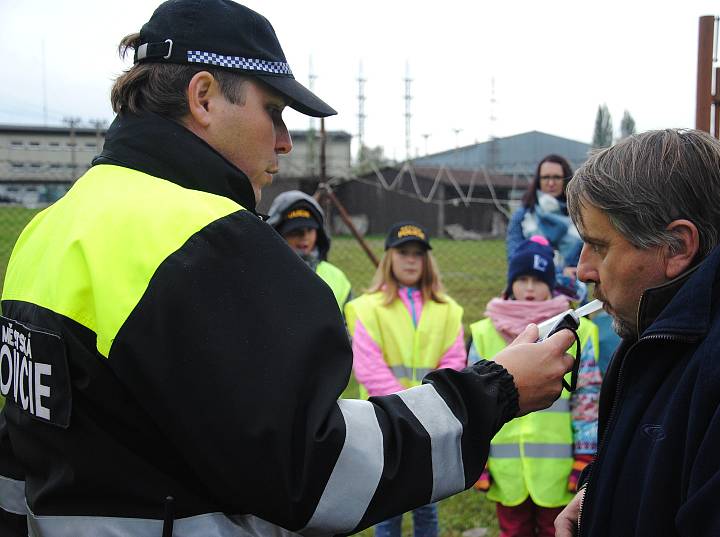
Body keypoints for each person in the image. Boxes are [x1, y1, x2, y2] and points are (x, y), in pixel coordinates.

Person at [0, 1, 577, 536]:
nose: (282, 141)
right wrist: (495, 390)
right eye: (273, 111)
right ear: (203, 97)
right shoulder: (207, 241)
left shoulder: (51, 227)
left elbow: (22, 447)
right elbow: (317, 470)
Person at [554, 129, 720, 537]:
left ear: (676, 246)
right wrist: (604, 492)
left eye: (599, 245)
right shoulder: (683, 306)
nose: (583, 270)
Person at [469, 237, 601, 537]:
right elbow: (477, 401)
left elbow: (587, 402)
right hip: (508, 470)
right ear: (510, 283)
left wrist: (585, 457)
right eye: (522, 279)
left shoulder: (579, 333)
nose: (529, 288)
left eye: (538, 280)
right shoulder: (483, 333)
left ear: (552, 285)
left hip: (557, 469)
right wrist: (478, 459)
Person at [345, 221, 465, 537]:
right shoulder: (365, 309)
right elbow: (371, 370)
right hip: (386, 425)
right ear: (389, 258)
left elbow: (452, 365)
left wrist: (426, 414)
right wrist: (411, 412)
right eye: (403, 253)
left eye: (417, 254)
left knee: (428, 506)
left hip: (431, 427)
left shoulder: (449, 311)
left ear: (427, 261)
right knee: (386, 510)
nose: (410, 260)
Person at [267, 190, 352, 311]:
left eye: (310, 230)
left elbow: (348, 325)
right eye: (296, 231)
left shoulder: (336, 277)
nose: (305, 237)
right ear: (278, 233)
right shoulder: (265, 274)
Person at [506, 155, 583, 271]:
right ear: (538, 180)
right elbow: (515, 259)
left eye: (557, 177)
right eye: (546, 177)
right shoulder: (523, 216)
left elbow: (584, 262)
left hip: (572, 287)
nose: (551, 183)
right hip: (532, 283)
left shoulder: (579, 216)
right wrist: (560, 272)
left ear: (566, 180)